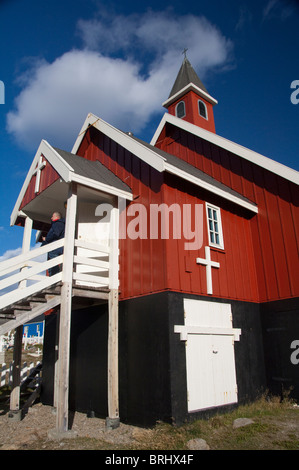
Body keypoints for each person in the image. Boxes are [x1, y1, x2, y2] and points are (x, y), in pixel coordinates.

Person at [42, 212, 65, 276]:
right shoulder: (60, 224)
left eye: (52, 216)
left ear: (57, 217)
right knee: (55, 261)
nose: (51, 218)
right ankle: (57, 274)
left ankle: (54, 275)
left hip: (57, 246)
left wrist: (46, 239)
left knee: (52, 261)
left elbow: (56, 234)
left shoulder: (57, 224)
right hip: (59, 246)